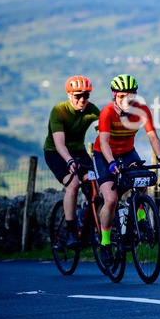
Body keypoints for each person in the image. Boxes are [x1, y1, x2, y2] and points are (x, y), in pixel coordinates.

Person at [92, 74, 160, 265]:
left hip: (127, 153)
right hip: (104, 154)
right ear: (114, 96)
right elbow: (103, 142)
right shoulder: (107, 112)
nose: (126, 100)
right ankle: (104, 243)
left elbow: (152, 135)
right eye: (121, 96)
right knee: (110, 199)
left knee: (142, 179)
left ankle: (142, 219)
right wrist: (111, 163)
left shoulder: (142, 110)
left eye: (130, 96)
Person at [43, 76, 101, 248]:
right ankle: (70, 232)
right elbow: (59, 143)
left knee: (95, 185)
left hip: (79, 151)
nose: (82, 100)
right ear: (69, 95)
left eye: (86, 96)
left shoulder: (91, 110)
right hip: (56, 152)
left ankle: (88, 224)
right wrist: (68, 161)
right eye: (78, 96)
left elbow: (104, 134)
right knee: (73, 184)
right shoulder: (59, 111)